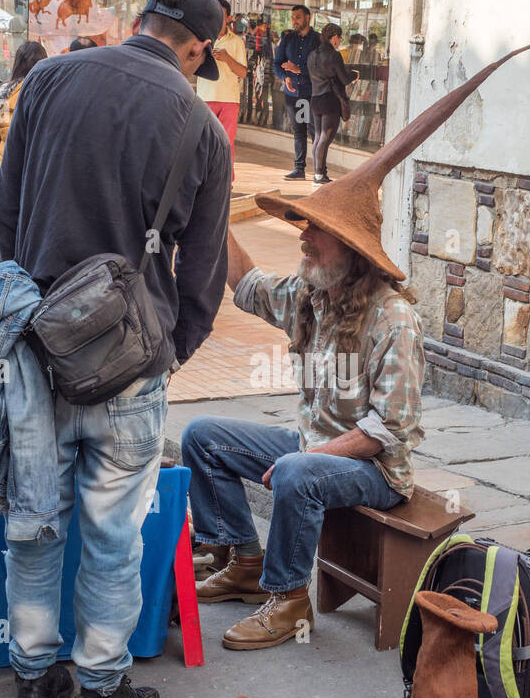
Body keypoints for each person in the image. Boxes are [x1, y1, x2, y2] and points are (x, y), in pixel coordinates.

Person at [0, 0, 231, 698]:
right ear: (196, 46)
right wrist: (171, 351)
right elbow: (201, 272)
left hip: (34, 343)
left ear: (140, 24)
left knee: (36, 520)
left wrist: (35, 304)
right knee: (113, 531)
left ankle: (33, 678)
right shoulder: (201, 125)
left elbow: (7, 214)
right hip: (130, 361)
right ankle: (101, 691)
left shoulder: (49, 79)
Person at [182, 174, 426, 652]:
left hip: (375, 470)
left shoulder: (393, 318)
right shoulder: (312, 295)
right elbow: (248, 284)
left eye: (316, 229)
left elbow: (389, 429)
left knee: (298, 471)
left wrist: (308, 458)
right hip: (311, 447)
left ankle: (290, 599)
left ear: (352, 249)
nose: (303, 236)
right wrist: (209, 207)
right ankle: (245, 562)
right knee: (200, 436)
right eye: (304, 225)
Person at [0, 42, 48, 237]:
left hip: (7, 168)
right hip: (38, 167)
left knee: (7, 233)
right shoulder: (46, 90)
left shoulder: (0, 92)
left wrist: (3, 145)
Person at [197, 0, 247, 184]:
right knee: (202, 141)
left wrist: (226, 58)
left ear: (229, 18)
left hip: (229, 99)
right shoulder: (201, 38)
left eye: (222, 15)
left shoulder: (236, 42)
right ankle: (202, 180)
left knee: (226, 143)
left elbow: (242, 72)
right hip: (204, 98)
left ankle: (226, 181)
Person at [273, 4, 320, 180]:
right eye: (293, 18)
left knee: (315, 132)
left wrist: (299, 69)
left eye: (298, 17)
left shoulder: (317, 40)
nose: (294, 21)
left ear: (308, 18)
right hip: (294, 95)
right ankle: (299, 169)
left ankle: (319, 170)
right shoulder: (287, 39)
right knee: (299, 131)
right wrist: (285, 76)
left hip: (312, 93)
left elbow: (321, 67)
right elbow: (277, 64)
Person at [307, 23, 357, 184]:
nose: (340, 41)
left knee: (317, 138)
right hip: (330, 99)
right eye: (339, 38)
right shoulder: (333, 55)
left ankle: (318, 173)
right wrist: (354, 75)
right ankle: (319, 175)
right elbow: (343, 79)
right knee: (325, 138)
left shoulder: (312, 55)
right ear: (334, 37)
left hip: (315, 99)